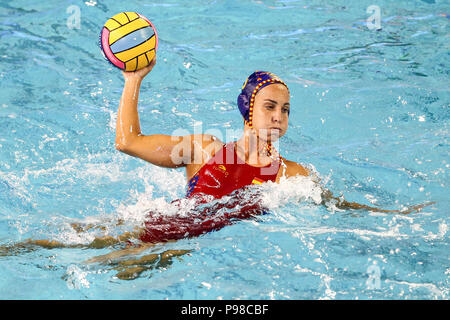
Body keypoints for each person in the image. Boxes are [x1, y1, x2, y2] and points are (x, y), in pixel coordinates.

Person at [1, 56, 433, 279]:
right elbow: (127, 142)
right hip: (153, 228)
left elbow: (334, 205)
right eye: (270, 106)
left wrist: (390, 218)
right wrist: (134, 80)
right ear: (248, 112)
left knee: (113, 271)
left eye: (286, 109)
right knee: (59, 248)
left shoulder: (291, 174)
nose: (279, 116)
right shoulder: (204, 149)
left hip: (182, 252)